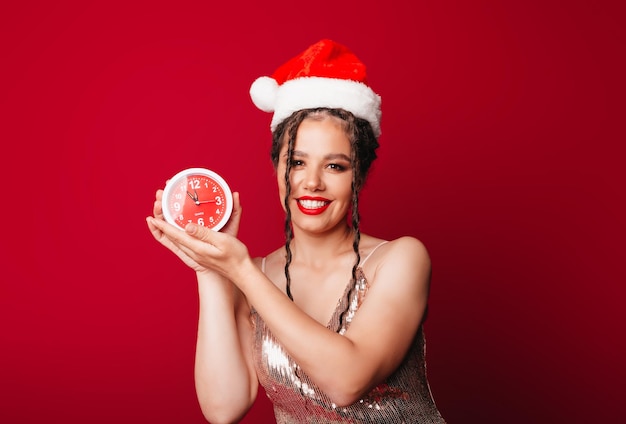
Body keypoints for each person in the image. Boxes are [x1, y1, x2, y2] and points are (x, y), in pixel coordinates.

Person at [146, 39, 446, 424]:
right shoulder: (251, 273)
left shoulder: (401, 259)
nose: (312, 183)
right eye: (297, 162)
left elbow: (346, 381)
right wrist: (211, 272)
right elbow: (224, 408)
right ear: (277, 168)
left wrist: (239, 270)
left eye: (335, 166)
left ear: (361, 175)